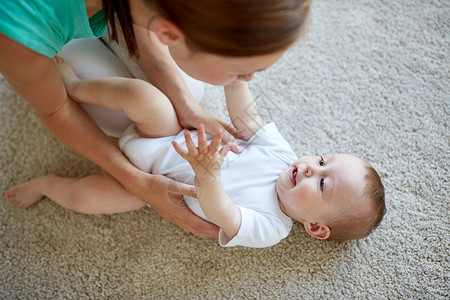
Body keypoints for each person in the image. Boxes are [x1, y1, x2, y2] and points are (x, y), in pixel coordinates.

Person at [0, 0, 311, 237]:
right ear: (168, 32)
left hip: (163, 139)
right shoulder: (18, 35)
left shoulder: (272, 223)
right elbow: (55, 109)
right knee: (143, 103)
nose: (249, 77)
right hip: (35, 33)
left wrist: (186, 105)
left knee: (186, 93)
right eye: (240, 71)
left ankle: (51, 184)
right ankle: (49, 184)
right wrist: (140, 184)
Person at [5, 57, 386, 247]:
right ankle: (75, 86)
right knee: (145, 97)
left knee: (92, 197)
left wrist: (208, 174)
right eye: (321, 161)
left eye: (321, 186)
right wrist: (238, 81)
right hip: (164, 137)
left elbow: (224, 213)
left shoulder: (273, 227)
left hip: (152, 187)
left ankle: (48, 184)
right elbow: (247, 119)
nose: (308, 170)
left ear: (316, 227)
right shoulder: (281, 156)